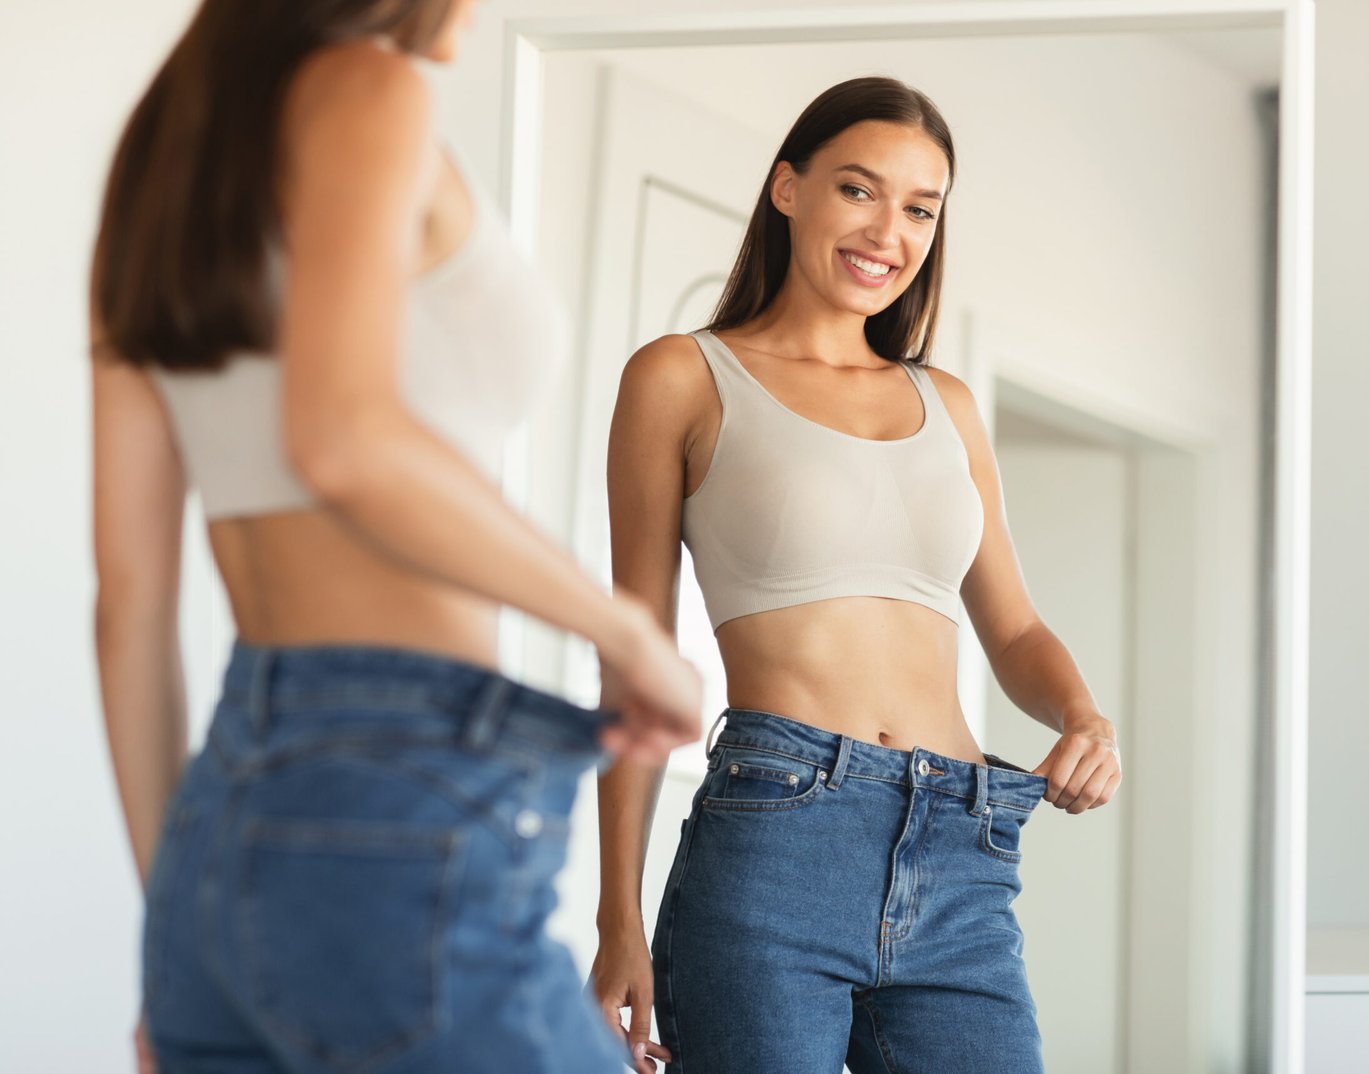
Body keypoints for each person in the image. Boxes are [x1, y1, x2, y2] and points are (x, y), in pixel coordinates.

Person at [90, 1, 700, 1070]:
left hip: (219, 829)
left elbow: (129, 606)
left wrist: (174, 939)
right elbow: (344, 438)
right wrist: (627, 631)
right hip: (399, 783)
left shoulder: (164, 164)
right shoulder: (366, 89)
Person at [592, 77, 1124, 1074]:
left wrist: (1082, 716)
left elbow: (1010, 630)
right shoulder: (681, 376)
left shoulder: (945, 402)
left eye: (921, 208)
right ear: (787, 189)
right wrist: (616, 914)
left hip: (963, 852)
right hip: (778, 840)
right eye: (858, 190)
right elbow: (637, 657)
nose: (890, 230)